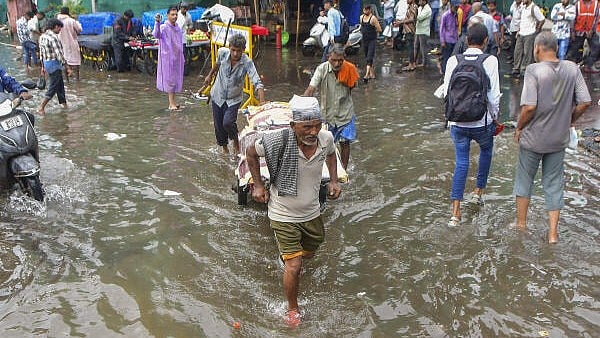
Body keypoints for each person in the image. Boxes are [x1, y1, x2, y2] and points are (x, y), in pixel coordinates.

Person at [245, 95, 342, 327]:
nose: (312, 131)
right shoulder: (276, 141)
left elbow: (331, 154)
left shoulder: (325, 139)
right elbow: (249, 151)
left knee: (310, 251)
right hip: (282, 213)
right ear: (293, 126)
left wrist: (334, 181)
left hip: (312, 212)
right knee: (295, 265)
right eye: (306, 126)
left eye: (317, 125)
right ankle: (292, 308)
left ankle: (289, 259)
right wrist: (258, 185)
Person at [513, 31, 591, 244]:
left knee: (524, 181)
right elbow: (585, 101)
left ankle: (521, 226)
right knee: (554, 184)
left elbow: (529, 107)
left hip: (533, 138)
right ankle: (553, 235)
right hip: (558, 139)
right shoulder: (572, 69)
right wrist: (568, 119)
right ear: (556, 48)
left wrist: (519, 128)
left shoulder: (533, 70)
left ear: (537, 48)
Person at [442, 23, 501, 227]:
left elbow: (445, 92)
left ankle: (455, 214)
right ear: (486, 42)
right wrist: (495, 118)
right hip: (481, 122)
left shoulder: (452, 60)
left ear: (466, 41)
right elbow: (493, 97)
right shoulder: (490, 60)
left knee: (461, 163)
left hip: (456, 122)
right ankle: (478, 192)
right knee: (486, 150)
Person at [203, 34, 266, 155]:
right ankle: (225, 149)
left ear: (243, 50)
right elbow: (217, 64)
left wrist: (262, 101)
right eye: (233, 50)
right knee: (218, 125)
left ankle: (236, 141)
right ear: (229, 47)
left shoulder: (247, 62)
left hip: (234, 99)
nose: (236, 54)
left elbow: (257, 81)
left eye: (239, 51)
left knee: (227, 122)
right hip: (217, 95)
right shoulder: (222, 52)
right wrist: (210, 75)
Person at [304, 45, 359, 170]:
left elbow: (353, 85)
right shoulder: (322, 69)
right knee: (326, 145)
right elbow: (311, 88)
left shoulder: (349, 69)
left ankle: (343, 171)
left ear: (343, 59)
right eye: (334, 60)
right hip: (327, 115)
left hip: (345, 113)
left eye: (340, 60)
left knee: (345, 143)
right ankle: (328, 170)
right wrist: (302, 104)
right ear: (328, 57)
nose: (337, 63)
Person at [153, 6, 185, 111]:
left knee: (175, 80)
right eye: (172, 14)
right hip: (167, 58)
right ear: (168, 15)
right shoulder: (164, 27)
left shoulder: (178, 28)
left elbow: (180, 42)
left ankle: (173, 102)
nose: (174, 16)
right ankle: (171, 104)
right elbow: (156, 34)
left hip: (177, 57)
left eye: (176, 14)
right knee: (170, 80)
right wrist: (157, 22)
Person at [37, 18, 69, 115]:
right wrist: (67, 67)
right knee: (53, 86)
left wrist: (42, 67)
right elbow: (59, 54)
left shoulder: (42, 37)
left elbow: (42, 54)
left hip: (47, 64)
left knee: (60, 86)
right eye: (59, 28)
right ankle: (41, 107)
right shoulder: (54, 37)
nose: (60, 30)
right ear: (55, 26)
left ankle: (64, 104)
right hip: (54, 64)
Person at [512, 0, 545, 77]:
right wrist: (519, 31)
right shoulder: (523, 7)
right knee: (517, 52)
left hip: (529, 34)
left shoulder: (534, 8)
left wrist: (537, 30)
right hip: (521, 33)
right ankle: (516, 69)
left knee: (527, 53)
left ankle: (524, 70)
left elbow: (542, 19)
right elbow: (523, 21)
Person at [56, 7, 82, 81]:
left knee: (65, 61)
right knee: (76, 62)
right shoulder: (71, 21)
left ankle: (67, 80)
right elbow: (79, 29)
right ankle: (77, 80)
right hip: (72, 43)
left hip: (61, 44)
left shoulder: (57, 21)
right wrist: (76, 21)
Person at [359, 4, 382, 82]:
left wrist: (372, 32)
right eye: (364, 10)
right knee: (367, 57)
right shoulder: (361, 17)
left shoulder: (373, 19)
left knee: (369, 56)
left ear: (370, 10)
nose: (365, 11)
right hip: (364, 40)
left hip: (372, 40)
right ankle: (372, 74)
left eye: (367, 10)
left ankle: (366, 75)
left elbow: (379, 29)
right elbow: (362, 27)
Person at [439, 0, 459, 74]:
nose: (456, 9)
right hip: (447, 40)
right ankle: (444, 72)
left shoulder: (456, 15)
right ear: (451, 6)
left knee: (453, 57)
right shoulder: (445, 15)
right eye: (455, 7)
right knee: (446, 57)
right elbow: (441, 29)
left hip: (454, 40)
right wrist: (442, 41)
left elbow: (456, 27)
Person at [400, 0, 419, 71]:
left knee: (410, 47)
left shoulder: (413, 7)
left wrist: (400, 22)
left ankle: (411, 64)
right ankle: (412, 63)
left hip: (410, 30)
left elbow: (411, 19)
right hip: (407, 30)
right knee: (409, 47)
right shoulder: (409, 7)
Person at [415, 0, 432, 68]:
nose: (419, 1)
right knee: (416, 46)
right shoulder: (419, 8)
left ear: (425, 1)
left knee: (423, 48)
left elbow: (419, 18)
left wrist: (414, 13)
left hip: (424, 31)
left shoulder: (428, 9)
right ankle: (416, 60)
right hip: (418, 30)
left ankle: (424, 63)